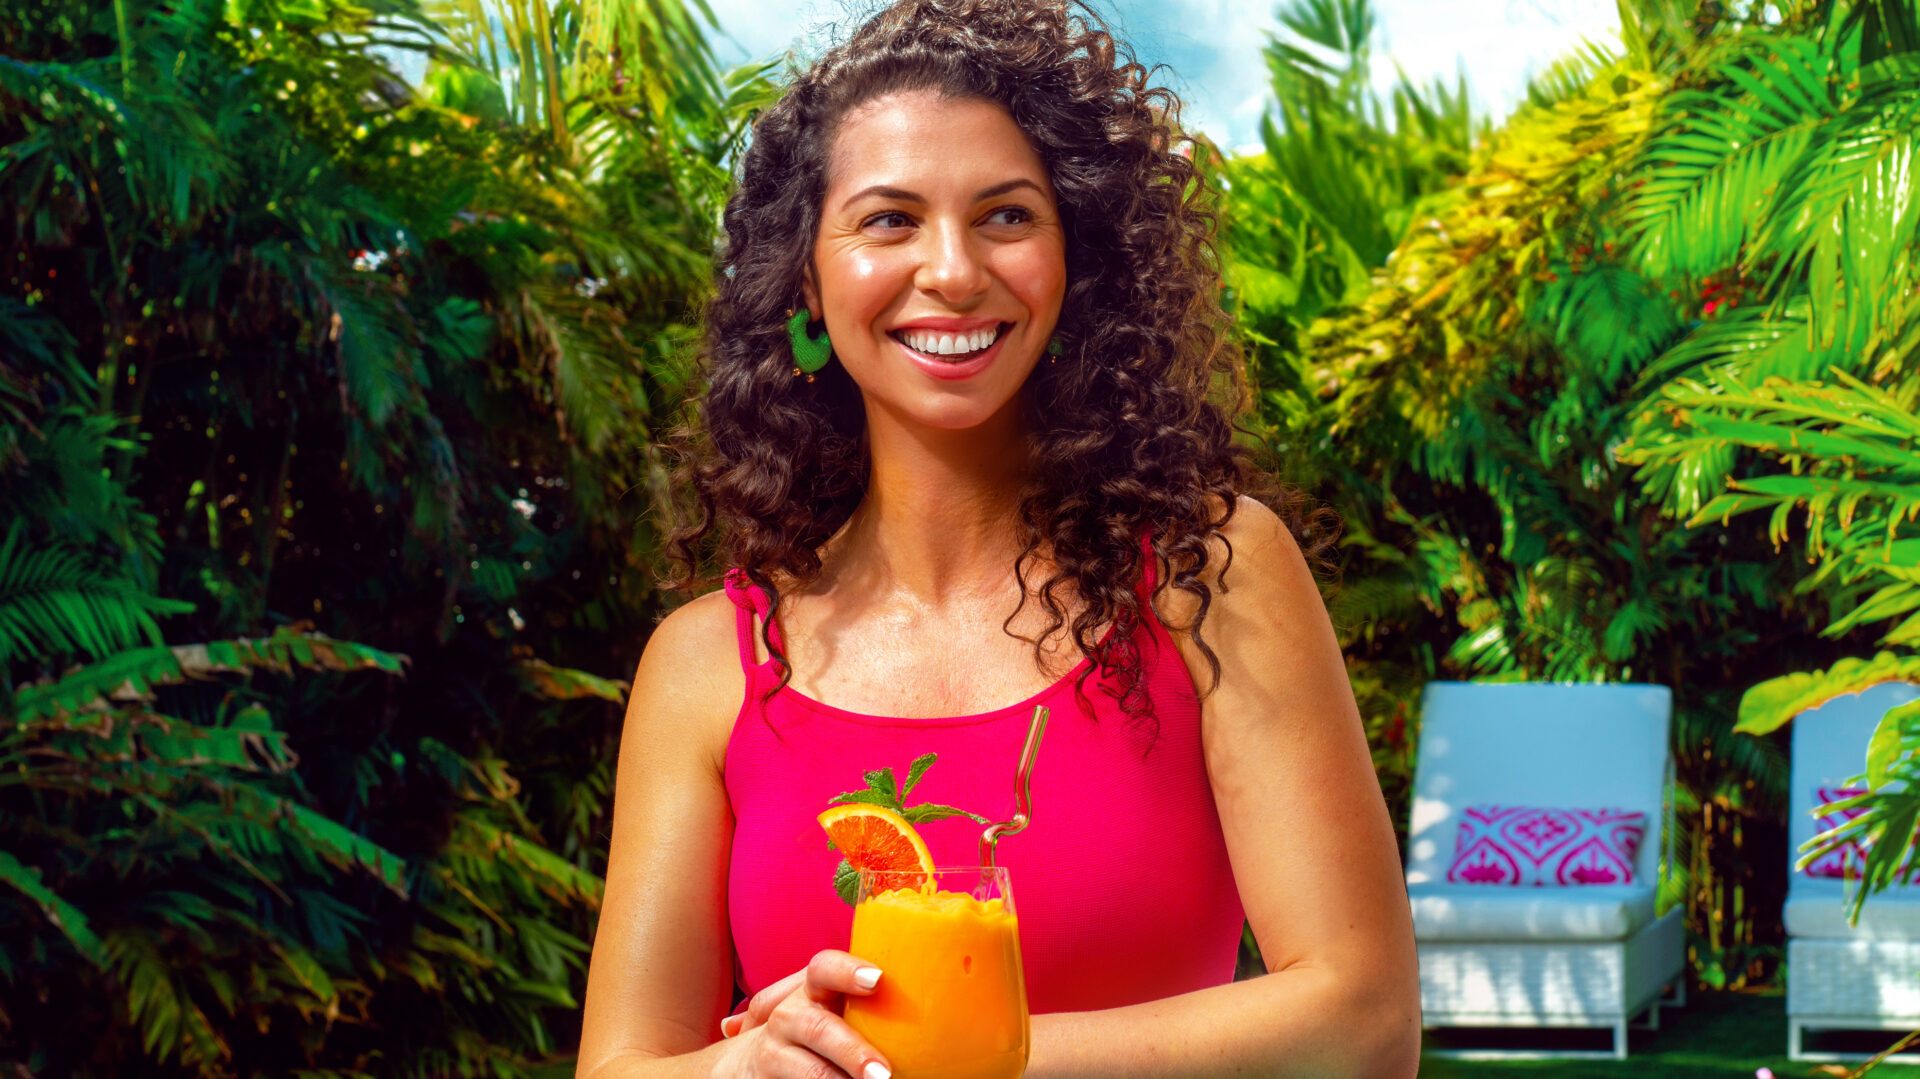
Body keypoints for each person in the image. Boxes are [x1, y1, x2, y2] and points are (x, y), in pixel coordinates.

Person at [576, 0, 1420, 1076]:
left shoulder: (1209, 577)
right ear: (806, 274)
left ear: (1078, 259)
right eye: (888, 220)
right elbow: (622, 1067)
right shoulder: (707, 663)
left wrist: (962, 1053)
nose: (955, 270)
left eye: (1007, 216)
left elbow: (1363, 1022)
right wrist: (738, 1066)